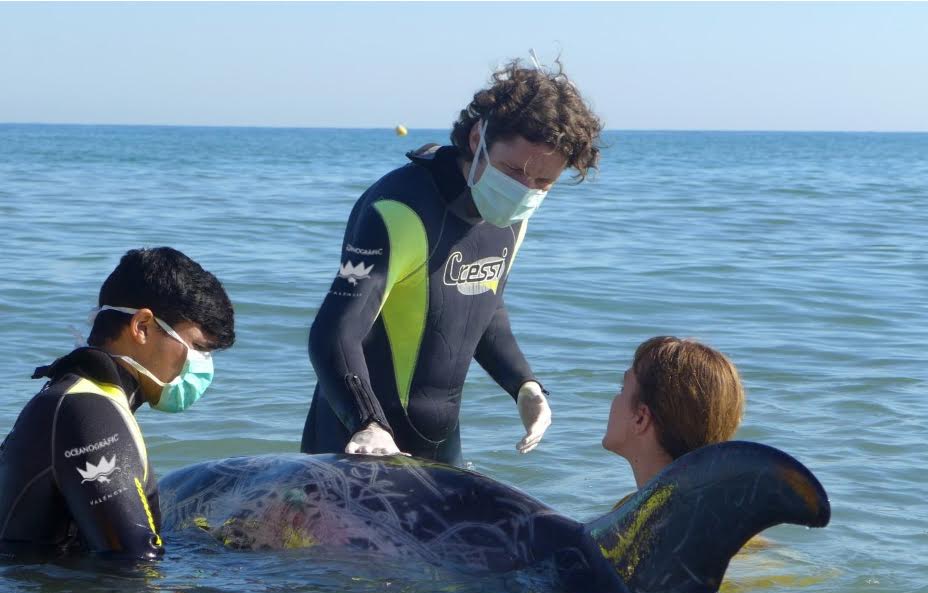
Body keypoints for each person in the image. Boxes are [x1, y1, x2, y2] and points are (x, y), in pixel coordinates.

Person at [302, 58, 604, 465]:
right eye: (513, 170)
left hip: (442, 446)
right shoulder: (398, 208)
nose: (524, 190)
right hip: (359, 442)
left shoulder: (511, 219)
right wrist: (368, 423)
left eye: (543, 182)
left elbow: (483, 308)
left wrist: (524, 385)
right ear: (479, 137)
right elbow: (334, 332)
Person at [0, 247, 235, 560]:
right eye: (197, 347)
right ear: (141, 327)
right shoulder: (88, 411)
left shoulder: (79, 396)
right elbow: (132, 565)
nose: (202, 365)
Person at [602, 336, 746, 502]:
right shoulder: (721, 510)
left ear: (641, 418)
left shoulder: (644, 520)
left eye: (622, 388)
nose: (614, 398)